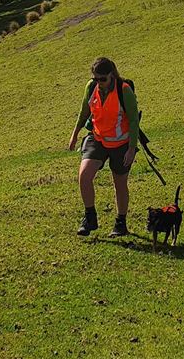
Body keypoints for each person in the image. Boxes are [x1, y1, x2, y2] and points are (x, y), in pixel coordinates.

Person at [67, 57, 140, 237]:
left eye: (103, 79)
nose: (99, 83)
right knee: (84, 176)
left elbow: (133, 121)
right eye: (96, 78)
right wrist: (74, 134)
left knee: (119, 183)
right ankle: (90, 218)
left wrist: (131, 148)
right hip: (97, 139)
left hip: (121, 144)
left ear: (111, 75)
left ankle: (120, 223)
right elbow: (84, 111)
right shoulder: (91, 87)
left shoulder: (124, 91)